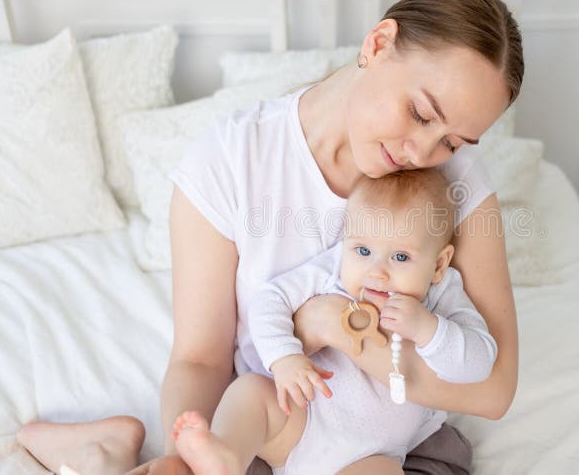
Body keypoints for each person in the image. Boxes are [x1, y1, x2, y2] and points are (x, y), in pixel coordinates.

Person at [16, 0, 523, 475]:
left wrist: (336, 329)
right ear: (378, 44)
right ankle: (101, 451)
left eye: (453, 142)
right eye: (418, 112)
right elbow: (200, 359)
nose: (422, 152)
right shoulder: (230, 160)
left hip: (391, 446)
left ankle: (101, 455)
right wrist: (192, 457)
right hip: (277, 420)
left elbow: (494, 391)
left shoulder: (453, 187)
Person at [171, 168, 498, 475]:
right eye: (363, 250)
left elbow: (480, 362)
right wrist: (284, 357)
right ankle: (227, 453)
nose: (377, 272)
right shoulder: (334, 270)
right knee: (252, 392)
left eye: (401, 257)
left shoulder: (442, 294)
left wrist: (428, 329)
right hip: (302, 418)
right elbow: (271, 299)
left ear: (439, 264)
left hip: (372, 454)